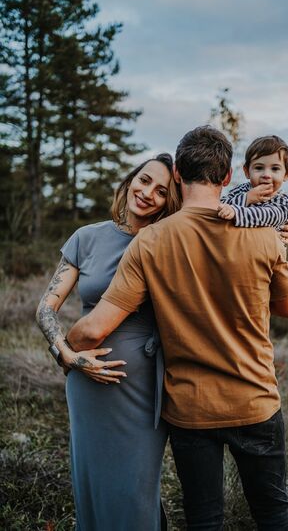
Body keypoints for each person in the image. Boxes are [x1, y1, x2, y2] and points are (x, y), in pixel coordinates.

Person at [64, 125, 288, 530]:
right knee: (273, 513)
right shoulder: (264, 235)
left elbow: (93, 330)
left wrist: (65, 348)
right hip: (255, 400)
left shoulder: (151, 240)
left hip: (191, 411)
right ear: (228, 178)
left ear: (176, 176)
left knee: (204, 520)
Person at [36, 153, 181, 531]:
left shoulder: (167, 244)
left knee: (135, 490)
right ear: (130, 179)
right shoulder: (86, 237)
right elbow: (46, 308)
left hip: (142, 388)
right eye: (144, 180)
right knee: (94, 485)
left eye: (161, 191)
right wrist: (66, 355)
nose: (148, 193)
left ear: (170, 202)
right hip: (86, 386)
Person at [218, 134, 288, 230]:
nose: (266, 175)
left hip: (266, 244)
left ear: (287, 174)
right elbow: (220, 206)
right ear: (247, 172)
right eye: (259, 168)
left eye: (275, 168)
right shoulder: (241, 190)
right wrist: (246, 198)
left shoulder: (283, 201)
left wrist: (236, 212)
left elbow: (269, 216)